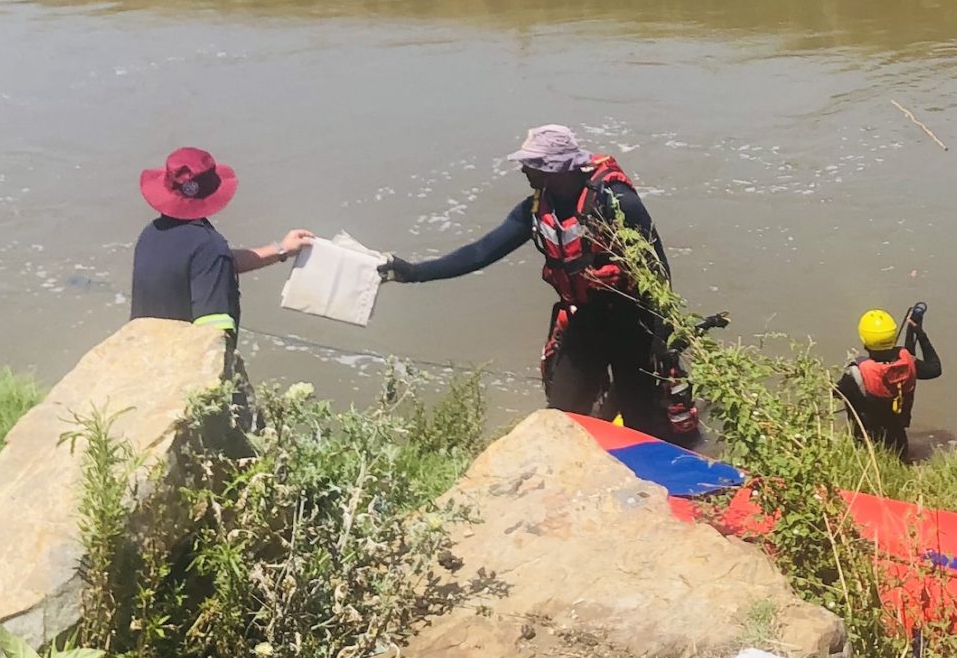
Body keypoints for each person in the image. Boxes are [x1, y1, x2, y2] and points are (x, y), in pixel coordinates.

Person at [382, 124, 702, 446]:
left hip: (633, 325)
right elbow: (480, 252)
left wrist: (662, 339)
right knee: (560, 416)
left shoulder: (617, 202)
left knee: (641, 423)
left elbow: (657, 271)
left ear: (554, 169)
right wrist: (412, 272)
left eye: (530, 163)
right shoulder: (534, 209)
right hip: (586, 321)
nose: (523, 168)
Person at [131, 146, 314, 342]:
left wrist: (281, 249)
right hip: (181, 363)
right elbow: (212, 334)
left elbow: (211, 265)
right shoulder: (208, 246)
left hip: (145, 351)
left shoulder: (151, 234)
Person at [834, 303, 941, 460]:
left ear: (864, 340)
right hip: (899, 445)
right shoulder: (906, 365)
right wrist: (918, 332)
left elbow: (836, 393)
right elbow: (934, 369)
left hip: (865, 446)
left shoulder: (856, 373)